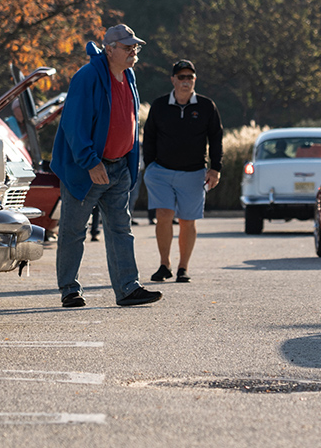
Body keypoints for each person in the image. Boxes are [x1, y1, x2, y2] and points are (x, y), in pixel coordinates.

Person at [51, 24, 162, 308]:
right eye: (127, 47)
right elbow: (74, 125)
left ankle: (128, 288)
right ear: (109, 49)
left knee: (121, 230)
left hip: (118, 169)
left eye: (135, 46)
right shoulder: (87, 77)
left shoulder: (129, 75)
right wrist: (91, 162)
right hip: (87, 170)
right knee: (73, 231)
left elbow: (129, 119)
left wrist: (129, 164)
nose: (133, 51)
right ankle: (69, 290)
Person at [143, 60, 223, 284]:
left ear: (195, 80)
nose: (186, 81)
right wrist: (149, 166)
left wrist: (215, 168)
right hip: (161, 171)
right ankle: (164, 264)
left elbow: (216, 138)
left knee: (187, 220)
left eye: (190, 77)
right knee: (163, 216)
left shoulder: (207, 106)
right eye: (181, 77)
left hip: (194, 172)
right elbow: (149, 136)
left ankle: (183, 267)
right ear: (173, 80)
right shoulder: (159, 106)